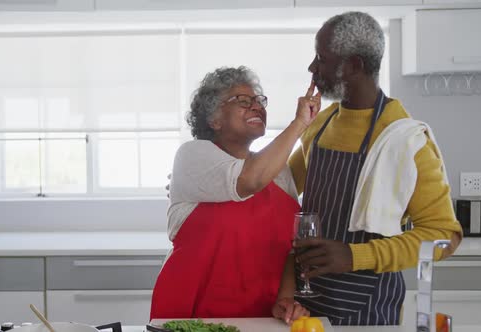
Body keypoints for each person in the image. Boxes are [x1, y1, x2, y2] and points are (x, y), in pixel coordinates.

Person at [271, 12, 463, 326]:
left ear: (354, 65)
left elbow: (444, 236)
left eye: (321, 58)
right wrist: (214, 185)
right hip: (304, 303)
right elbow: (280, 188)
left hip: (368, 307)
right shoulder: (320, 123)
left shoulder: (405, 139)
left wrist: (354, 256)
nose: (312, 68)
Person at [150, 66, 320, 319]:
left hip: (259, 318)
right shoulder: (192, 156)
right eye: (242, 101)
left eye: (259, 101)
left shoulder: (278, 169)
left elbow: (288, 251)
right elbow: (248, 180)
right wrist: (299, 124)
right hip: (189, 315)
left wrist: (284, 299)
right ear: (214, 119)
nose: (256, 107)